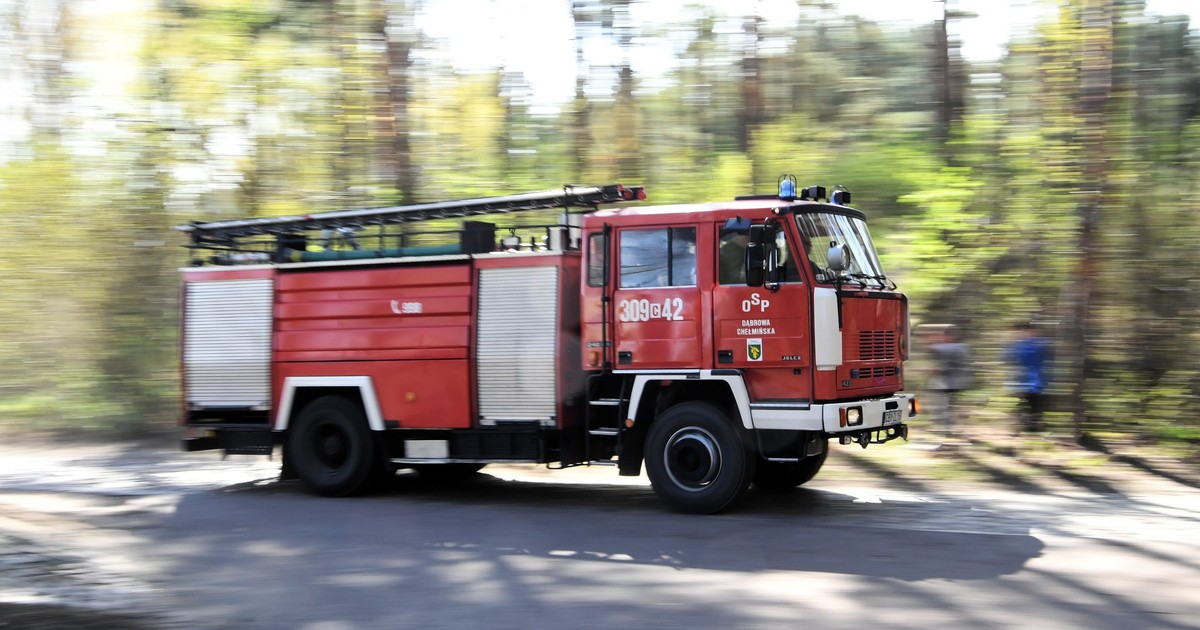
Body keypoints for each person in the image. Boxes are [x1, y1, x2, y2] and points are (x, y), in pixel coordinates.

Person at [926, 325, 973, 437]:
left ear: (950, 336)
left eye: (944, 336)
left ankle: (947, 429)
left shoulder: (954, 347)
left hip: (949, 383)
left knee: (944, 406)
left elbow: (947, 362)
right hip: (954, 382)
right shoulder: (962, 347)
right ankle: (952, 427)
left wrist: (938, 370)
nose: (943, 338)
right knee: (949, 405)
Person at [1006, 322, 1052, 433]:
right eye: (1028, 331)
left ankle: (1028, 424)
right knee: (1030, 402)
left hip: (1035, 380)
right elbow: (1012, 357)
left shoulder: (1039, 344)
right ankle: (1028, 424)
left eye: (1032, 331)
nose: (1030, 333)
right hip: (1028, 380)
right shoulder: (1023, 345)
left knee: (1032, 402)